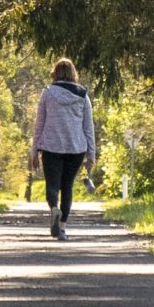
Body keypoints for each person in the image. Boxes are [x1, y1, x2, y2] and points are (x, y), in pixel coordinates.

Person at [30, 58, 96, 241]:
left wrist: (34, 151)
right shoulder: (83, 95)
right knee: (67, 187)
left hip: (51, 147)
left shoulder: (48, 93)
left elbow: (39, 124)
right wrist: (91, 154)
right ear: (73, 73)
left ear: (55, 73)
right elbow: (88, 127)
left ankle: (54, 209)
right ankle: (63, 227)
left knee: (52, 185)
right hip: (76, 148)